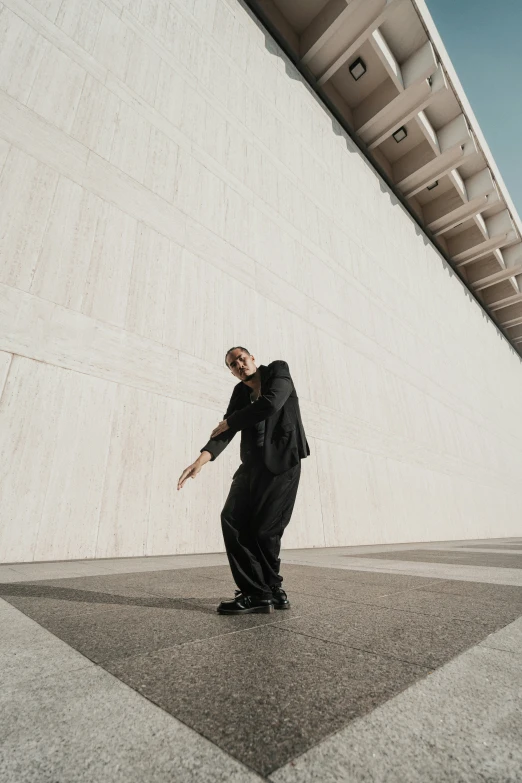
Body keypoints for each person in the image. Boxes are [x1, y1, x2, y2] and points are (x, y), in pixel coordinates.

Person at [177, 347, 310, 615]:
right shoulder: (240, 393)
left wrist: (232, 421)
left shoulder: (277, 371)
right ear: (231, 372)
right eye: (232, 364)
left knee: (265, 530)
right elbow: (224, 430)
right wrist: (200, 461)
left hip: (282, 463)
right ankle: (267, 591)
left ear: (252, 359)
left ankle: (262, 592)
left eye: (241, 358)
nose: (239, 364)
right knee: (232, 518)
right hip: (251, 465)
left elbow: (271, 403)